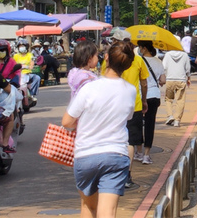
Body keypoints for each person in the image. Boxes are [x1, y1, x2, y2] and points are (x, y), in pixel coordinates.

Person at [62, 41, 137, 218]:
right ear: (128, 64)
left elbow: (67, 121)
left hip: (86, 154)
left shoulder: (89, 88)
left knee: (88, 207)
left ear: (107, 58)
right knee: (107, 212)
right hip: (115, 154)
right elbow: (128, 117)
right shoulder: (131, 91)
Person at [101, 28, 148, 191]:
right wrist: (144, 101)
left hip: (111, 106)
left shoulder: (108, 60)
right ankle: (126, 175)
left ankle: (111, 173)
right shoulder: (138, 60)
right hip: (133, 105)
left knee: (112, 138)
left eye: (114, 40)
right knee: (130, 142)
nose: (112, 42)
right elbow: (144, 83)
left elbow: (103, 79)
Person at [136, 41, 164, 165]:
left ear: (144, 48)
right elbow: (163, 80)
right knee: (150, 124)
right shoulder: (158, 62)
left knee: (136, 124)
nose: (139, 50)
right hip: (154, 96)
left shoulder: (138, 61)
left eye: (140, 47)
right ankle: (147, 155)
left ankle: (138, 152)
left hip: (140, 96)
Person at [161, 43, 190, 127]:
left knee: (168, 99)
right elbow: (187, 68)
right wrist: (188, 77)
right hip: (181, 80)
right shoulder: (184, 55)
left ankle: (170, 115)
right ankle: (177, 120)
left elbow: (164, 67)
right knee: (180, 100)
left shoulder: (167, 54)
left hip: (169, 79)